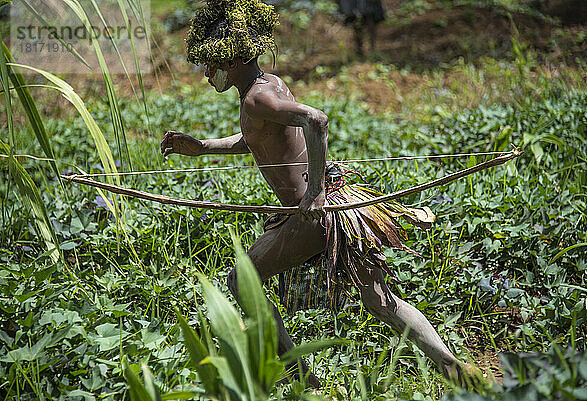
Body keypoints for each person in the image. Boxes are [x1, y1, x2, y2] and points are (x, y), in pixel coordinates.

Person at [161, 0, 478, 388]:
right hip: (336, 201)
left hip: (314, 213)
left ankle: (304, 382)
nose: (208, 76)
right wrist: (202, 147)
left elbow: (316, 120)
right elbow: (258, 140)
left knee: (240, 282)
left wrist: (311, 196)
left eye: (210, 66)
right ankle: (454, 369)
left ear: (228, 60)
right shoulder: (269, 85)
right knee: (380, 301)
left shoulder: (255, 99)